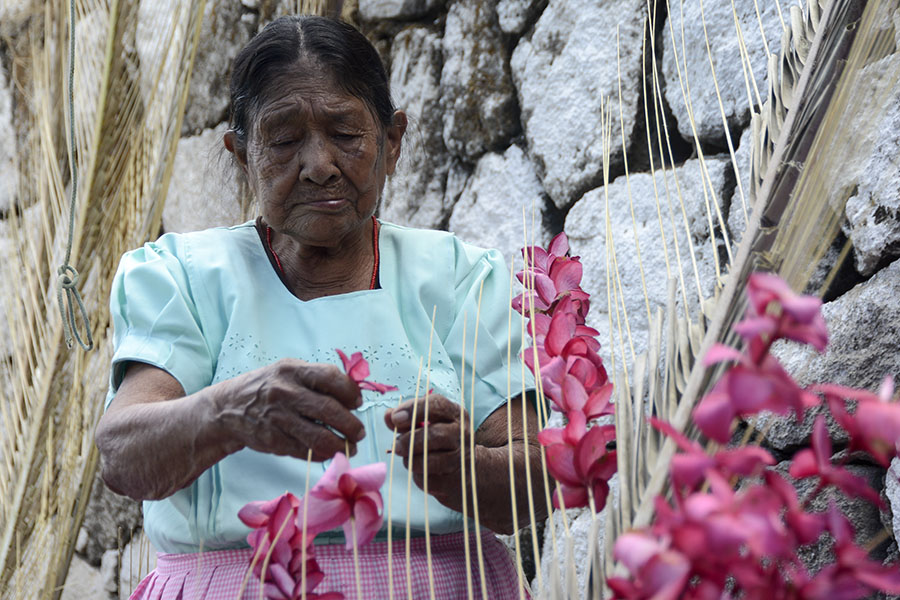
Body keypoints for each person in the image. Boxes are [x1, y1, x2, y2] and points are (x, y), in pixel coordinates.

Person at [95, 14, 545, 600]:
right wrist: (229, 412)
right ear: (241, 154)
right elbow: (122, 456)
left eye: (346, 133)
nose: (319, 164)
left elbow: (537, 477)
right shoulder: (182, 276)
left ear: (394, 141)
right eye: (283, 141)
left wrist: (468, 469)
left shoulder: (460, 277)